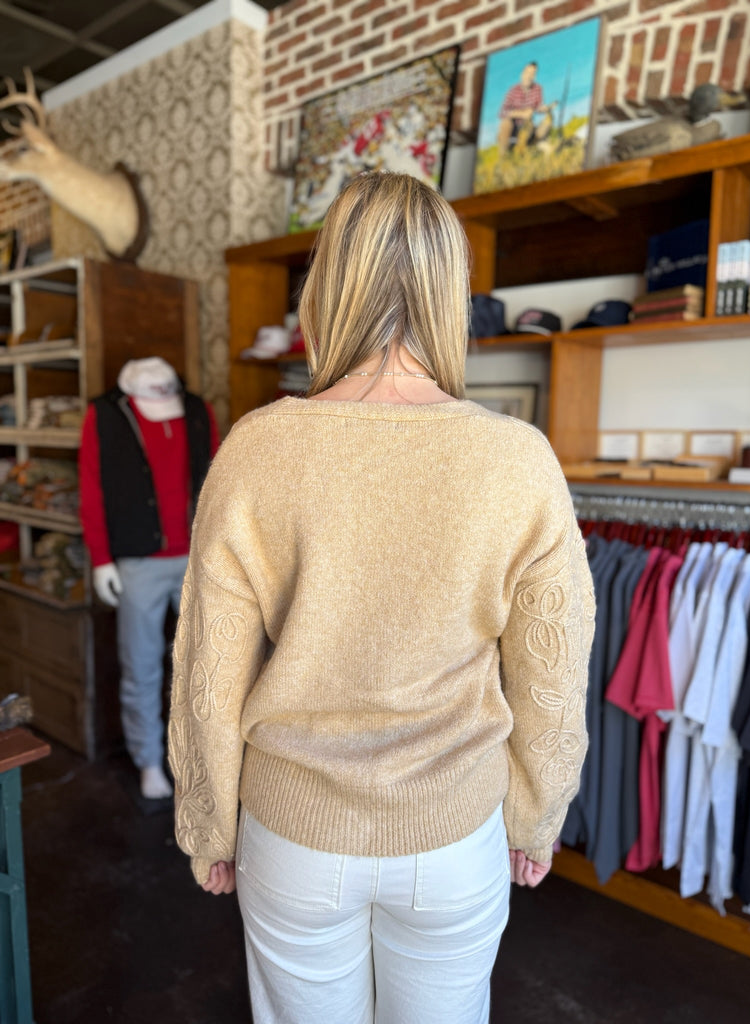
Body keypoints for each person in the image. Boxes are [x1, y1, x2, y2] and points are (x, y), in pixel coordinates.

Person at [169, 172, 595, 1024]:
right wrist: (534, 816)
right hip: (453, 836)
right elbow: (553, 669)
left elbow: (208, 666)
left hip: (291, 834)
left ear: (325, 289)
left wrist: (209, 823)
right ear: (449, 298)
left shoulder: (257, 450)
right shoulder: (518, 459)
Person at [79, 356, 219, 799]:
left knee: (207, 664)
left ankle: (203, 758)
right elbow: (92, 487)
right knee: (140, 665)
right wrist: (101, 558)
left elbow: (218, 479)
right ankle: (148, 761)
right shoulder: (105, 414)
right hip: (138, 561)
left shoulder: (197, 409)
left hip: (198, 557)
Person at [497, 60, 557, 153]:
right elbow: (502, 112)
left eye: (533, 73)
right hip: (514, 128)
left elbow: (538, 107)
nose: (529, 76)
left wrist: (545, 108)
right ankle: (504, 155)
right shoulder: (513, 90)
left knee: (548, 121)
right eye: (527, 72)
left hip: (528, 126)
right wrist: (521, 114)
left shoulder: (538, 88)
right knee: (505, 123)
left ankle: (536, 143)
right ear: (522, 74)